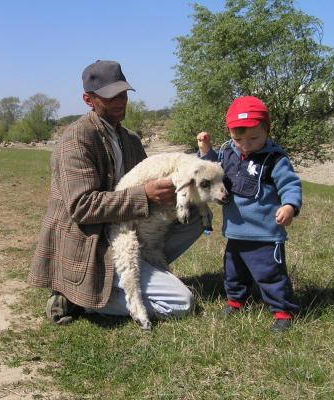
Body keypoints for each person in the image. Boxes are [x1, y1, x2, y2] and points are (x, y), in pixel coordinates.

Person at [27, 60, 206, 325]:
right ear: (88, 99)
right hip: (91, 239)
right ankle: (81, 299)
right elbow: (82, 206)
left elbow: (152, 179)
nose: (120, 101)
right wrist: (145, 195)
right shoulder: (76, 139)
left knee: (194, 216)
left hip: (126, 231)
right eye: (111, 97)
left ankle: (139, 271)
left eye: (123, 94)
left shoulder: (130, 139)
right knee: (181, 303)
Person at [197, 96, 302, 332]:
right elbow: (212, 170)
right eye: (238, 138)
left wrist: (289, 206)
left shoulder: (275, 158)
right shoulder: (228, 153)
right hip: (236, 231)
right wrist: (206, 151)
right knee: (233, 272)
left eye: (254, 137)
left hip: (265, 233)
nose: (245, 144)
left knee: (270, 274)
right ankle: (235, 300)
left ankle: (283, 311)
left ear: (267, 130)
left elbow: (290, 184)